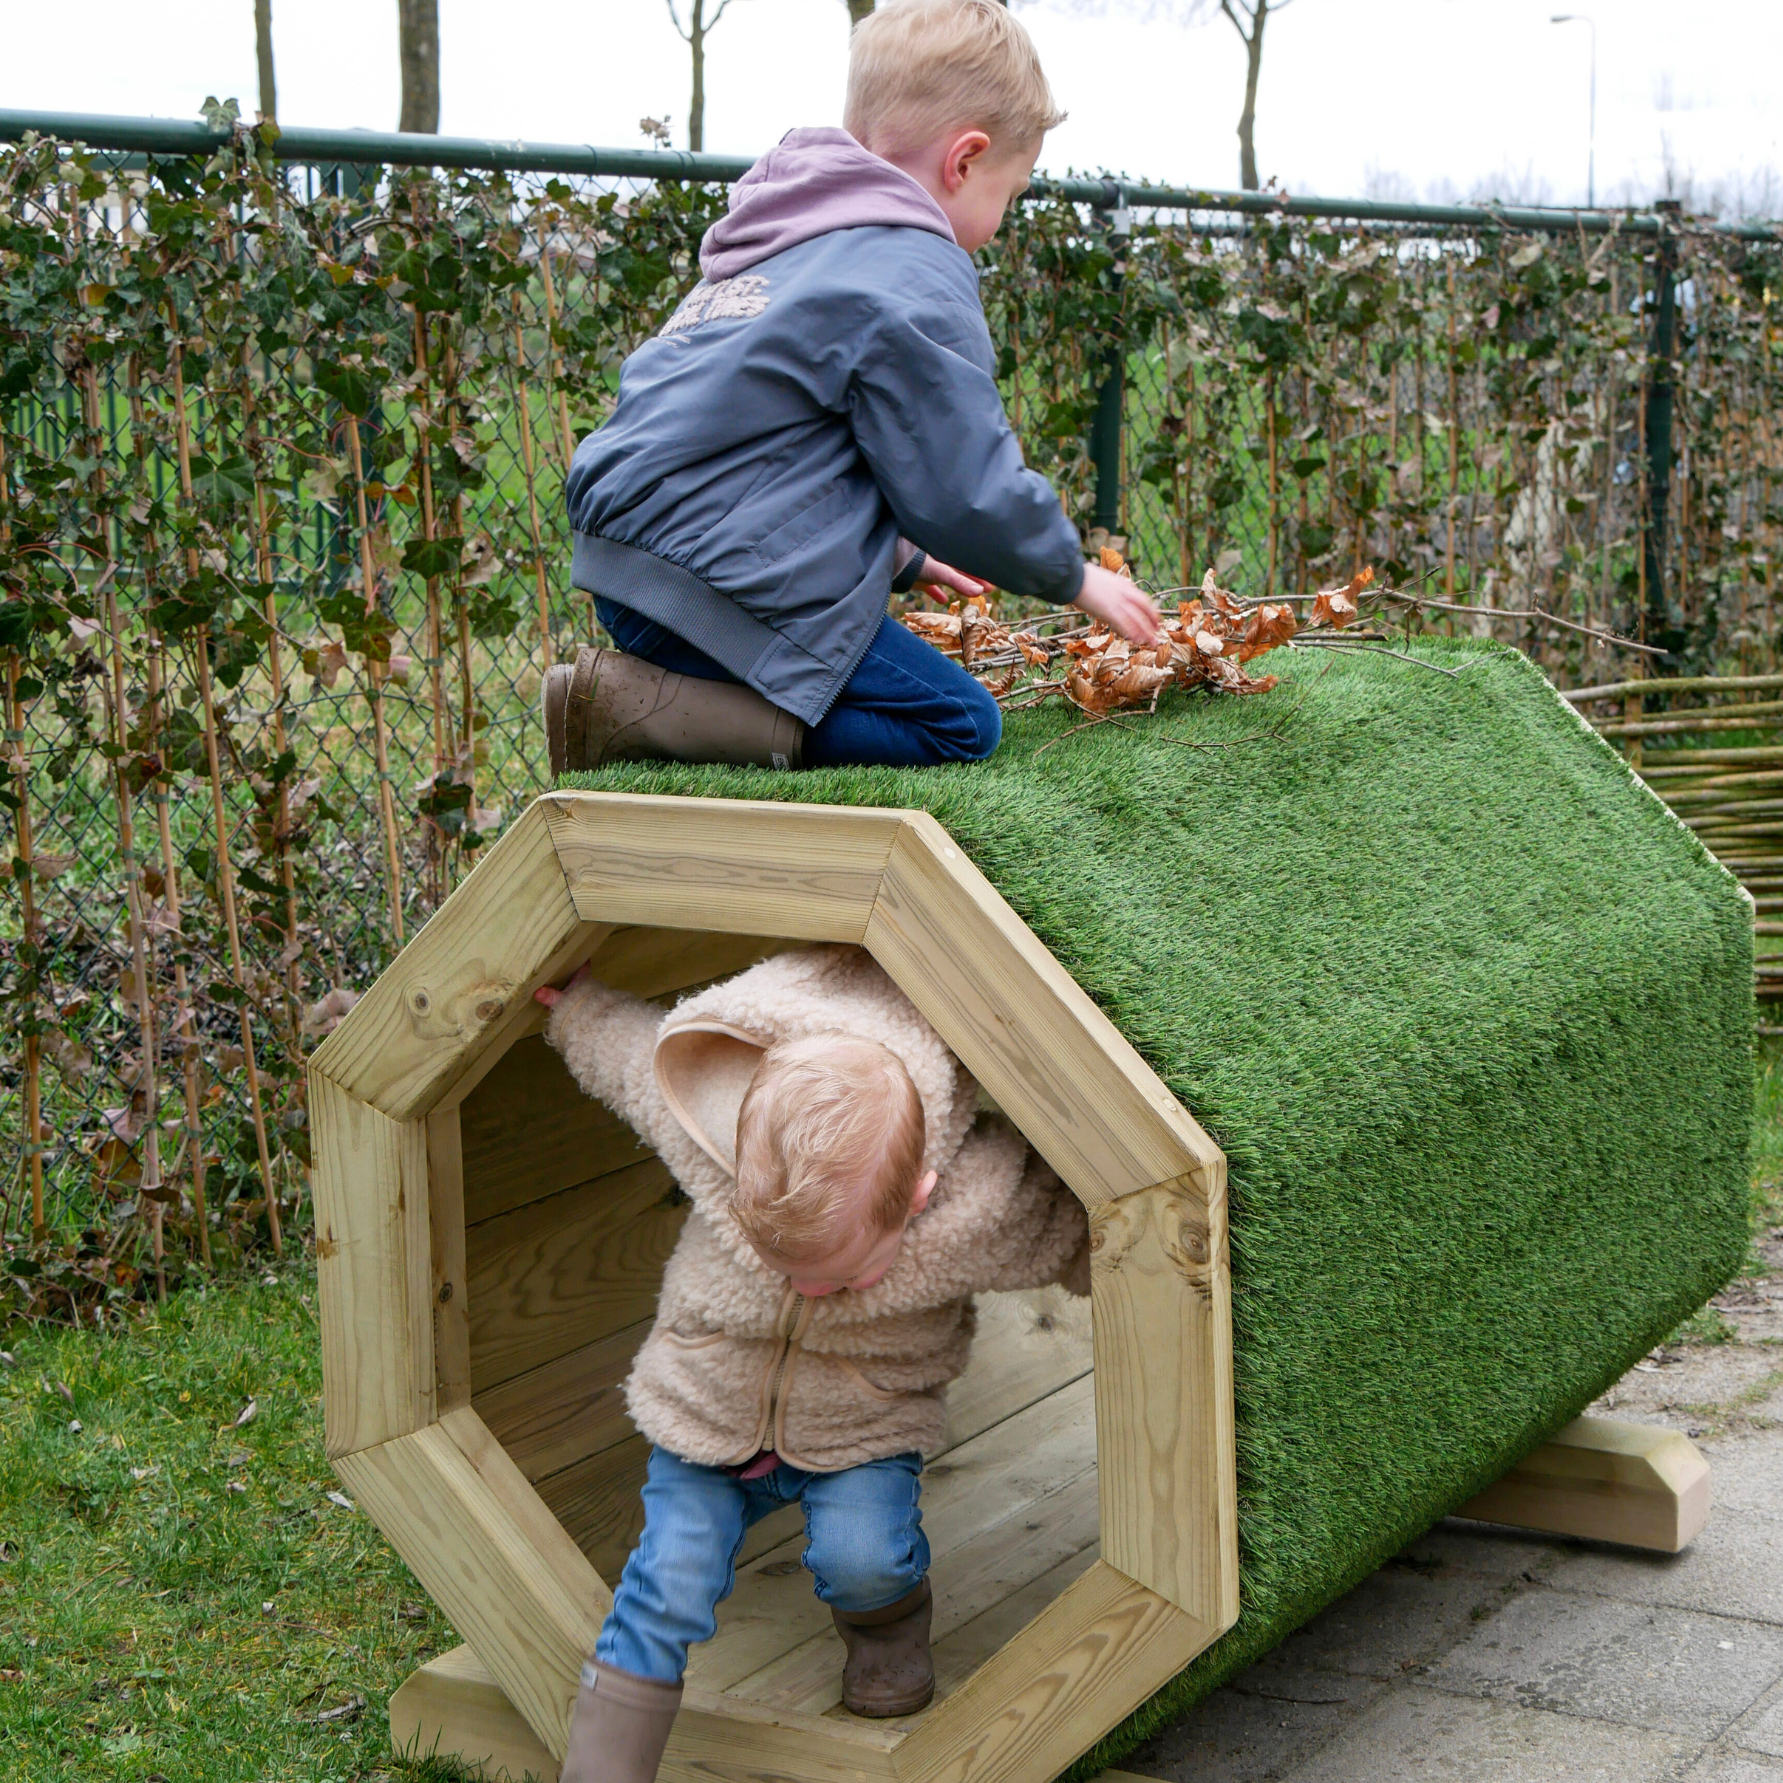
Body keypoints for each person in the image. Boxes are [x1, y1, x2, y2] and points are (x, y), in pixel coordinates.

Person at [543, 0, 1162, 778]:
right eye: (1011, 192)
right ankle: (631, 713)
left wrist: (904, 557)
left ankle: (672, 696)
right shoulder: (913, 267)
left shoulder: (790, 234)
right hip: (710, 588)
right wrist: (1073, 576)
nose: (1001, 219)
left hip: (629, 562)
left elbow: (775, 444)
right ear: (965, 160)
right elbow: (964, 483)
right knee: (958, 723)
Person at [534, 944, 1090, 1783]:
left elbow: (1080, 1227)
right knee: (664, 1583)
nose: (809, 1288)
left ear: (917, 1197)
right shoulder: (718, 1134)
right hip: (704, 1409)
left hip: (862, 1425)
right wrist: (577, 1009)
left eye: (838, 1272)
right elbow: (634, 1062)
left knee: (863, 1560)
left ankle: (885, 1628)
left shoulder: (976, 1207)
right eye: (785, 1264)